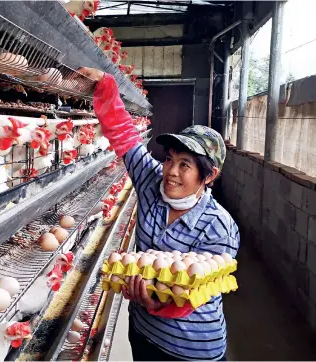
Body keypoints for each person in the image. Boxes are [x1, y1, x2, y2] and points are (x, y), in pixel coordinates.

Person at [78, 67, 240, 361]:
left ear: (209, 175)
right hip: (143, 331)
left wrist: (153, 299)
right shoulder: (152, 183)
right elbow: (124, 135)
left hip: (190, 347)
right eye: (169, 159)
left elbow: (192, 295)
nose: (171, 172)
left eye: (185, 165)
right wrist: (105, 85)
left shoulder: (218, 226)